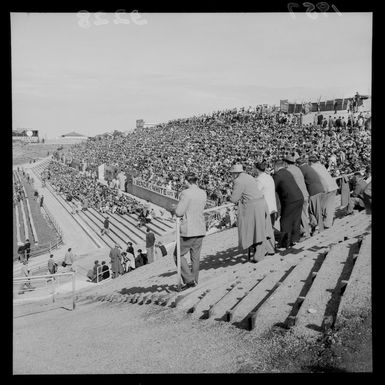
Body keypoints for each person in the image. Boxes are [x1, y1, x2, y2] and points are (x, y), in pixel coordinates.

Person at [230, 164, 275, 262]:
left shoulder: (238, 181)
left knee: (254, 229)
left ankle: (260, 251)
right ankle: (269, 249)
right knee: (262, 228)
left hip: (253, 206)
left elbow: (234, 199)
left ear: (235, 173)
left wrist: (230, 196)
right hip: (261, 203)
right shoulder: (249, 177)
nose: (232, 175)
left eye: (232, 173)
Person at [172, 172, 207, 289]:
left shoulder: (185, 193)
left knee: (177, 255)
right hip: (200, 227)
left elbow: (179, 212)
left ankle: (189, 280)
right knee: (195, 257)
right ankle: (194, 280)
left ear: (187, 181)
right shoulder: (203, 192)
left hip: (189, 230)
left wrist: (175, 208)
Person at [273, 160, 304, 249]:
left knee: (285, 221)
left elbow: (273, 187)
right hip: (299, 197)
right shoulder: (287, 172)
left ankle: (285, 242)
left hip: (290, 200)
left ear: (276, 167)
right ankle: (294, 239)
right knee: (295, 220)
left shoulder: (278, 175)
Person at [296, 157, 325, 235]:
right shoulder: (308, 167)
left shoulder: (302, 169)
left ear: (298, 164)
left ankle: (320, 229)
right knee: (312, 211)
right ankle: (316, 226)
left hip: (314, 191)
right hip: (319, 189)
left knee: (316, 211)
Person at [309, 155, 339, 229]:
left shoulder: (312, 168)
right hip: (333, 186)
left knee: (323, 206)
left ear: (310, 162)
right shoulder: (321, 166)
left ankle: (326, 224)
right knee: (329, 206)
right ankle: (328, 223)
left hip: (326, 188)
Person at [284, 155, 310, 238]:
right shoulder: (297, 168)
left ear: (286, 162)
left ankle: (306, 232)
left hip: (299, 196)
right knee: (304, 214)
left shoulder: (288, 170)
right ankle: (305, 231)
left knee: (301, 215)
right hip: (305, 193)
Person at [254, 162, 278, 226]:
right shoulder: (269, 177)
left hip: (265, 208)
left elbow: (255, 194)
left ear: (256, 169)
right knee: (271, 228)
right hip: (272, 207)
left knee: (266, 230)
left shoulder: (259, 180)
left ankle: (283, 235)